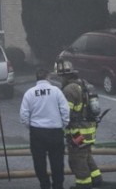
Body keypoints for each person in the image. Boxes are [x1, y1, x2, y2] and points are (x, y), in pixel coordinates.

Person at [19, 66, 70, 189]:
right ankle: (58, 185)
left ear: (36, 78)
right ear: (48, 77)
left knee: (39, 162)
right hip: (55, 131)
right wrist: (63, 124)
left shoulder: (29, 93)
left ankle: (44, 185)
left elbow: (24, 115)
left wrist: (31, 127)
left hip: (37, 132)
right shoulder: (56, 91)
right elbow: (65, 110)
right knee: (57, 161)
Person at [56, 60, 102, 188]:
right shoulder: (84, 84)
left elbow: (66, 114)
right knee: (85, 155)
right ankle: (96, 179)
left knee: (77, 161)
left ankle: (84, 185)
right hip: (90, 130)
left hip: (77, 132)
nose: (60, 80)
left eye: (60, 77)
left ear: (64, 76)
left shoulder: (68, 90)